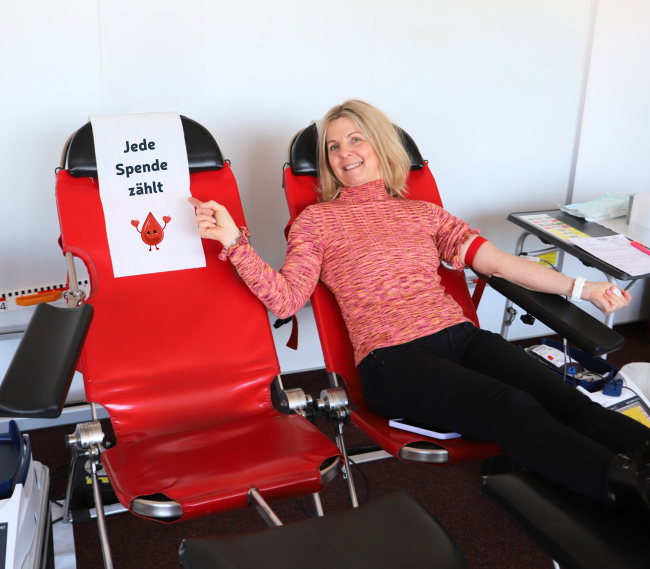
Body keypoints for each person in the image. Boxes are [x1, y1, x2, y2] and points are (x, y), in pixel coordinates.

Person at [189, 99, 650, 518]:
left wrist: (582, 288)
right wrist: (234, 242)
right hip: (393, 360)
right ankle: (627, 488)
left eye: (355, 139)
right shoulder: (316, 221)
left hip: (462, 339)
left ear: (380, 145)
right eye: (332, 146)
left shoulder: (424, 213)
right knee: (512, 406)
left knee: (562, 397)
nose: (344, 153)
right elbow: (286, 297)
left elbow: (499, 263)